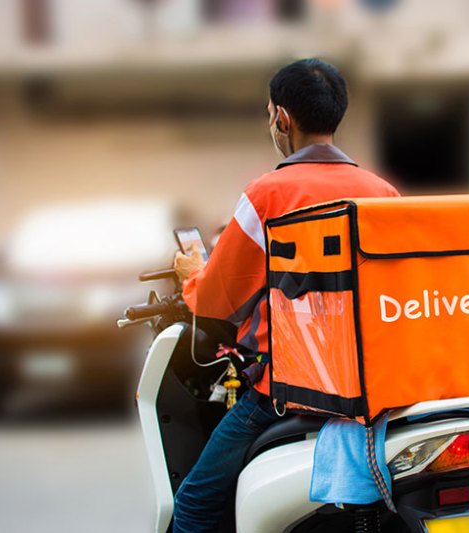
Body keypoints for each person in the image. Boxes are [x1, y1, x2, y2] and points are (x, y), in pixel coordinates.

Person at [171, 58, 399, 532]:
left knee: (194, 502)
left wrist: (193, 274)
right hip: (372, 389)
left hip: (290, 392)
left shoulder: (267, 195)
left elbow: (217, 299)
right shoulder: (382, 194)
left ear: (282, 118)